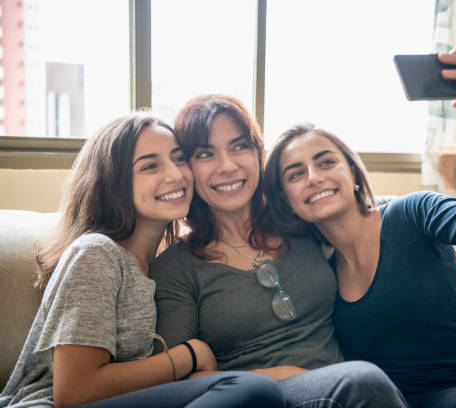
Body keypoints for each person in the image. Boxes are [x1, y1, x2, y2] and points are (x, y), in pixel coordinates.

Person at [263, 43, 456, 407]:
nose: (313, 177)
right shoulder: (316, 271)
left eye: (326, 162)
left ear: (354, 175)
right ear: (286, 200)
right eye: (296, 174)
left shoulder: (412, 214)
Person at [0, 113, 284, 408]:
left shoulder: (163, 267)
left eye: (179, 159)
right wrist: (190, 354)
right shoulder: (97, 254)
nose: (175, 175)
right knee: (247, 388)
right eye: (150, 166)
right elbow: (74, 393)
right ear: (113, 183)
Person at [151, 94, 409, 407]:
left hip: (348, 393)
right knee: (363, 379)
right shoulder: (177, 266)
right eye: (206, 154)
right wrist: (279, 375)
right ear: (188, 169)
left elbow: (361, 212)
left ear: (257, 153)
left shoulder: (300, 224)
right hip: (261, 398)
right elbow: (177, 381)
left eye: (239, 146)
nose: (227, 166)